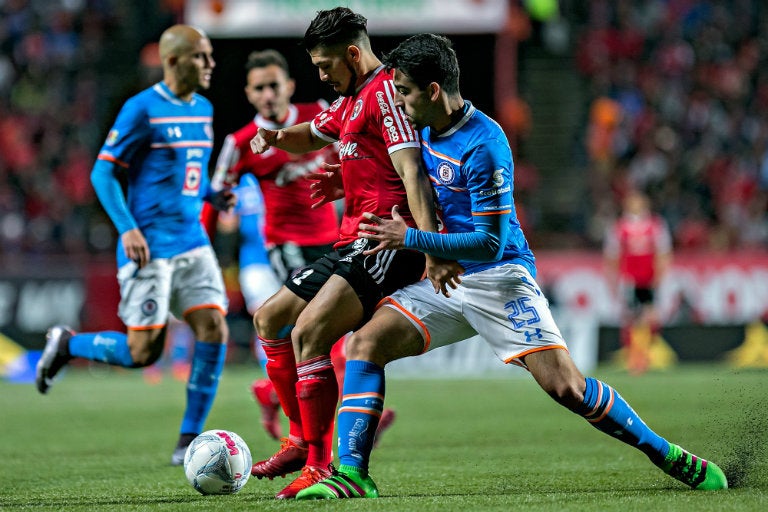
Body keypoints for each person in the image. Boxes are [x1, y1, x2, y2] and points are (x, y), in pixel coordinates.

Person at [296, 33, 727, 500]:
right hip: (447, 280)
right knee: (365, 343)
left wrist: (414, 240)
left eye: (404, 92)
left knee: (568, 389)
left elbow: (490, 241)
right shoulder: (422, 129)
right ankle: (353, 475)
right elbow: (407, 176)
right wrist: (348, 182)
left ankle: (668, 454)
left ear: (434, 90)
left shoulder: (485, 143)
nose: (397, 102)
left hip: (499, 278)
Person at [247, 8, 456, 499]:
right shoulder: (350, 98)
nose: (320, 75)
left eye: (324, 66)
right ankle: (301, 440)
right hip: (349, 242)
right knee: (269, 319)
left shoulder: (385, 92)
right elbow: (312, 133)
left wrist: (428, 247)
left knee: (310, 332)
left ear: (353, 54)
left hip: (385, 240)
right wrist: (277, 137)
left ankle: (320, 464)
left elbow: (412, 173)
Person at [35, 24, 235, 466]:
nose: (210, 64)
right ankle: (67, 344)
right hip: (150, 246)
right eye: (201, 56)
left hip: (193, 241)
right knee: (142, 353)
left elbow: (189, 172)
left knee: (213, 329)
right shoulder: (141, 109)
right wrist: (127, 228)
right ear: (174, 61)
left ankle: (189, 438)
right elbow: (102, 173)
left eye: (209, 56)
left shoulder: (203, 108)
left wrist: (211, 196)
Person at [202, 49, 397, 443]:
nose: (269, 94)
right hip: (286, 245)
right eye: (260, 88)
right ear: (249, 94)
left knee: (333, 329)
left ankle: (272, 393)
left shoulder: (319, 114)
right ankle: (347, 423)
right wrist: (207, 242)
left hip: (334, 239)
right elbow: (216, 194)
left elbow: (352, 152)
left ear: (289, 86)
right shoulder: (240, 143)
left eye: (274, 85)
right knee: (323, 329)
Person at [604, 189, 674, 375]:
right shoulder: (619, 227)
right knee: (631, 316)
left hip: (649, 278)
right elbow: (612, 256)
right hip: (629, 278)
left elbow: (663, 253)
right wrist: (613, 280)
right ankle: (634, 356)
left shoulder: (656, 225)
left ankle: (649, 354)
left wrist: (660, 276)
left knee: (650, 315)